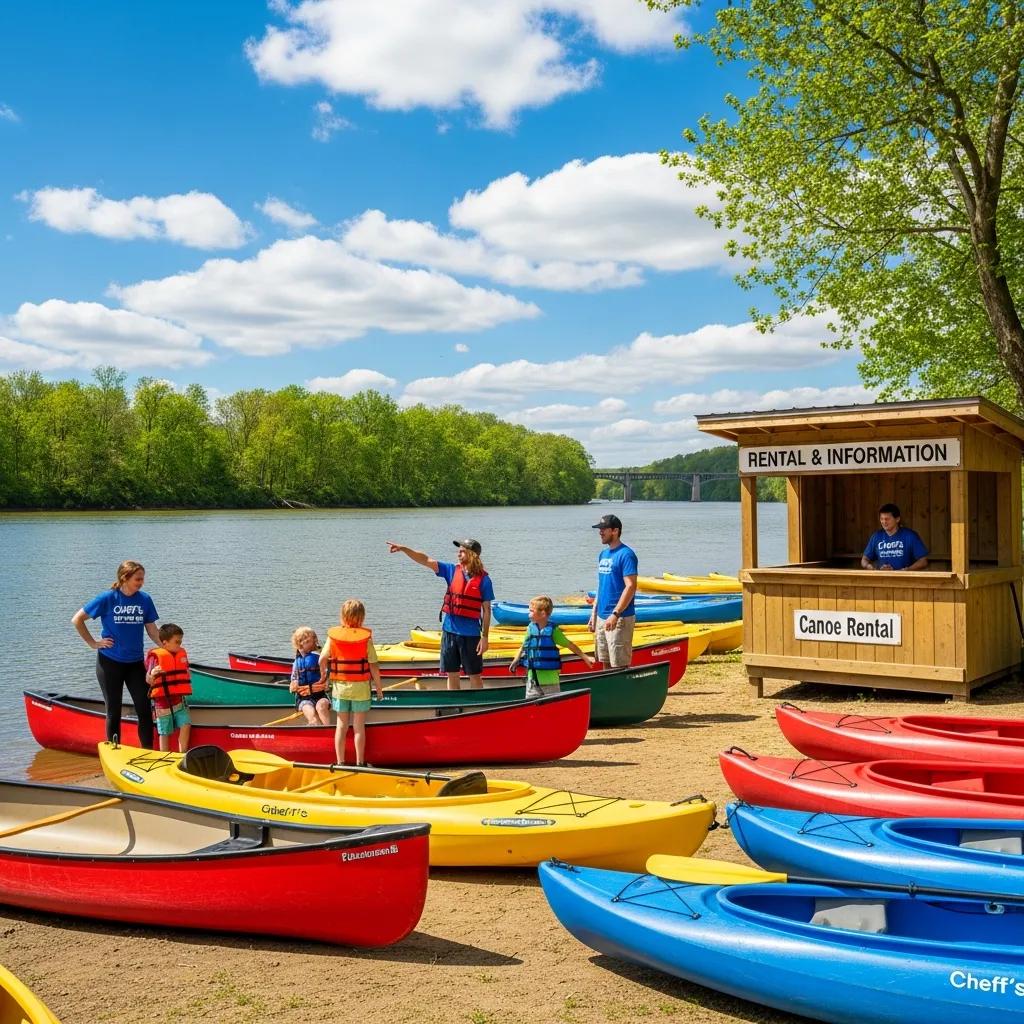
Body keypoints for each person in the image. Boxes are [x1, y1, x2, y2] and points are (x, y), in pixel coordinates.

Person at [72, 559, 159, 749]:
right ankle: (114, 751)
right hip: (109, 663)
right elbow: (77, 619)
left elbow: (152, 630)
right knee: (114, 710)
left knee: (144, 709)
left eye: (143, 579)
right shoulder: (107, 598)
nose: (141, 582)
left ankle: (148, 751)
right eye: (138, 579)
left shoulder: (144, 599)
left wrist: (168, 648)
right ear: (124, 578)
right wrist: (92, 643)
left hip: (135, 664)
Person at [387, 538, 494, 690]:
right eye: (459, 551)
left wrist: (485, 637)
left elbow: (487, 610)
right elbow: (425, 560)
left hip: (471, 635)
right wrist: (405, 549)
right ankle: (455, 705)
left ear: (472, 555)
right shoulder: (451, 570)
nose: (459, 554)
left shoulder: (484, 580)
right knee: (452, 673)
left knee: (474, 675)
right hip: (449, 632)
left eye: (462, 552)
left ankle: (478, 705)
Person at [320, 600, 383, 767]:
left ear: (342, 616)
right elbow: (373, 666)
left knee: (341, 726)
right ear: (362, 617)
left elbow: (322, 659)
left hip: (340, 688)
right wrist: (379, 688)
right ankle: (359, 762)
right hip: (361, 688)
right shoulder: (366, 639)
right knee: (358, 727)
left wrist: (323, 677)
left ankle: (340, 762)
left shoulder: (332, 637)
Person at [509, 596, 595, 698]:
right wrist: (516, 659)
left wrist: (585, 657)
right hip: (532, 679)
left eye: (532, 611)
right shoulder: (530, 628)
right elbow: (524, 645)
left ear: (543, 614)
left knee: (552, 704)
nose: (529, 614)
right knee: (532, 706)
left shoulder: (553, 630)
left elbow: (569, 644)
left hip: (550, 680)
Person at [587, 514, 638, 669]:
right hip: (602, 617)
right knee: (605, 664)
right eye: (599, 529)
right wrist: (594, 614)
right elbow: (602, 586)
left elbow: (630, 586)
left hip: (619, 618)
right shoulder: (603, 554)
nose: (600, 532)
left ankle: (623, 693)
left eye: (604, 529)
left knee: (619, 666)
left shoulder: (626, 554)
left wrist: (615, 614)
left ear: (615, 531)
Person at [145, 622, 192, 753]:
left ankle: (182, 754)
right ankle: (164, 756)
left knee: (186, 724)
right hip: (162, 705)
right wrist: (152, 674)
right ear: (165, 643)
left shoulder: (181, 654)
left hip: (179, 702)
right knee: (165, 732)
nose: (180, 644)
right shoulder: (156, 658)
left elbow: (185, 671)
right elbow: (148, 679)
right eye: (177, 642)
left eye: (181, 641)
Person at [861, 503, 929, 571]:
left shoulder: (910, 536)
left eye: (887, 519)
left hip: (904, 579)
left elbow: (923, 561)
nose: (884, 522)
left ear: (897, 519)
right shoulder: (876, 537)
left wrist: (906, 570)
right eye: (881, 519)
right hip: (882, 579)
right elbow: (864, 560)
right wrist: (871, 568)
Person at [288, 626, 331, 725]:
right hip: (304, 698)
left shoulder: (319, 657)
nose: (314, 643)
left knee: (322, 706)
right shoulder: (297, 663)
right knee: (309, 711)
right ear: (300, 644)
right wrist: (293, 685)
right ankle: (314, 725)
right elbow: (294, 679)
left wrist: (326, 682)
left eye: (314, 640)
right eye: (308, 641)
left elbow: (326, 673)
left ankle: (327, 729)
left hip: (320, 695)